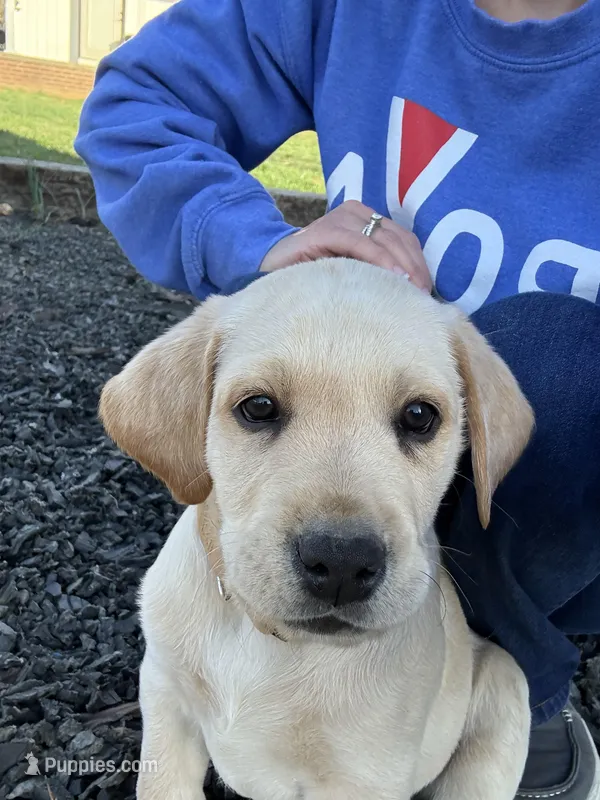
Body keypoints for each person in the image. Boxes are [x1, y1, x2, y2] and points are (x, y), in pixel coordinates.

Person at [75, 0, 600, 797]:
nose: (341, 542)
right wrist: (249, 242)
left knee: (560, 359)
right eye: (261, 410)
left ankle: (528, 664)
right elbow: (134, 103)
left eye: (416, 418)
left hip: (557, 495)